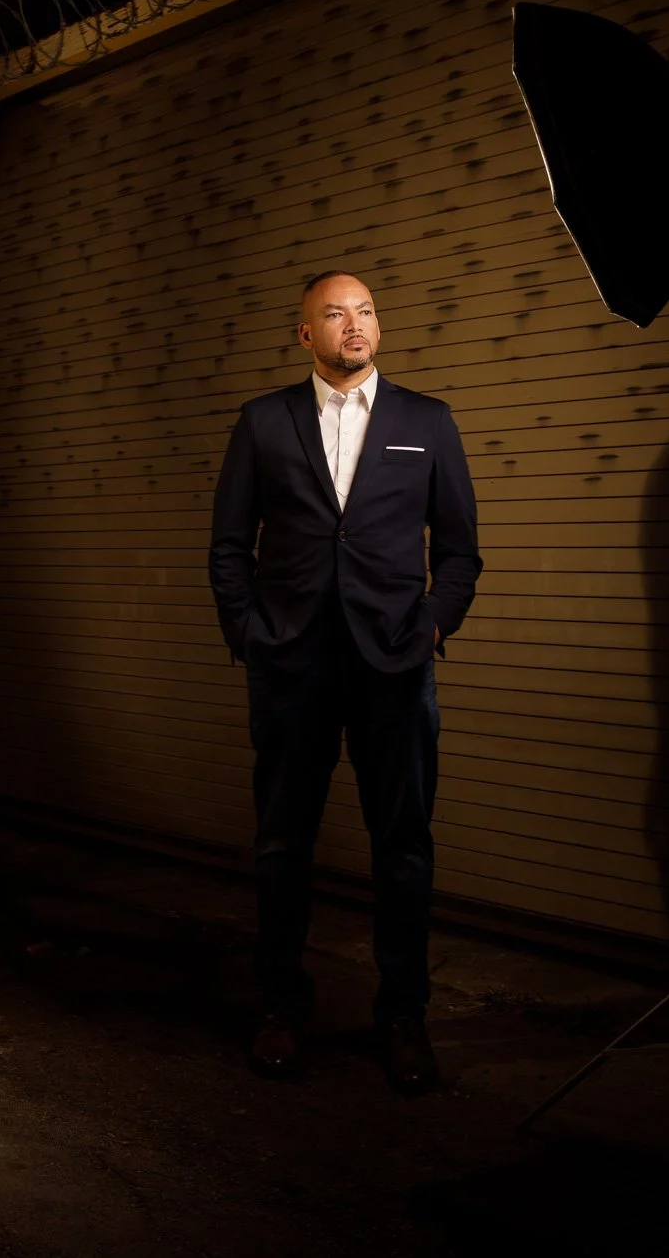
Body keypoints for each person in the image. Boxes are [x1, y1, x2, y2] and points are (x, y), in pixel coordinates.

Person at [209, 270, 482, 1095]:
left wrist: (432, 624)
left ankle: (402, 1017)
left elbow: (460, 551)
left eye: (365, 311)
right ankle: (281, 1006)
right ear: (306, 334)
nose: (353, 324)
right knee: (281, 844)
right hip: (291, 666)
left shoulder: (426, 422)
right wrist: (249, 634)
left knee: (402, 848)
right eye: (334, 314)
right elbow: (229, 546)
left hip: (394, 666)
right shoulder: (264, 422)